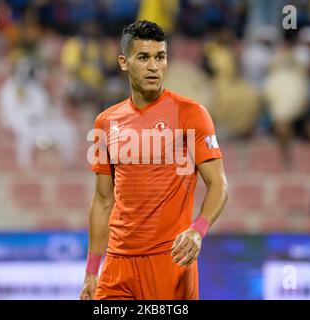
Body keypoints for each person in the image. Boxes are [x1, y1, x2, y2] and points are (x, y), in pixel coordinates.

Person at [80, 20, 228, 300]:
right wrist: (91, 271)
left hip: (169, 261)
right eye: (143, 57)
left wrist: (198, 230)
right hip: (117, 265)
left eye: (160, 57)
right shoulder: (105, 122)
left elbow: (219, 184)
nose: (153, 66)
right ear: (124, 62)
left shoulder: (192, 114)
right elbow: (102, 201)